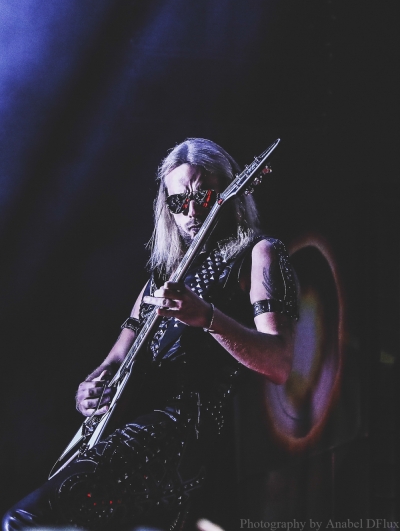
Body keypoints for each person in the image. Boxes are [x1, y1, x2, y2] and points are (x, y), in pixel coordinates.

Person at [3, 138, 298, 531]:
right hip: (135, 432)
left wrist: (207, 317)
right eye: (178, 201)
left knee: (23, 521)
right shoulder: (160, 280)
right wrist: (89, 391)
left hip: (190, 434)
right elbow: (114, 361)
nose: (191, 211)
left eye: (203, 196)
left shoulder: (260, 254)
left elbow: (279, 363)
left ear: (230, 192)